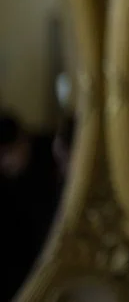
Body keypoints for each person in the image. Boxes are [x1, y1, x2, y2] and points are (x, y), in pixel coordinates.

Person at [0, 111, 63, 300]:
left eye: (7, 154)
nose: (4, 163)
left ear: (23, 142)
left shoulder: (48, 156)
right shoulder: (7, 180)